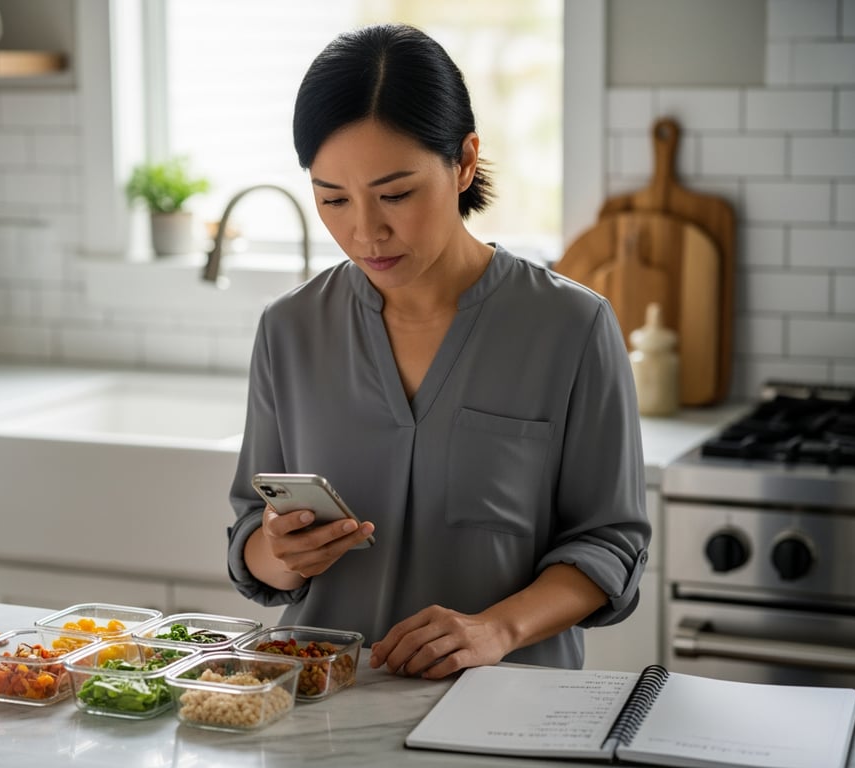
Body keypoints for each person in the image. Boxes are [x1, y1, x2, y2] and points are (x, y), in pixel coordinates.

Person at [226, 23, 650, 679]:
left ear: (464, 161)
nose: (364, 232)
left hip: (509, 711)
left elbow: (609, 543)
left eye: (395, 193)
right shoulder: (289, 327)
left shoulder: (570, 325)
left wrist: (495, 629)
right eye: (331, 198)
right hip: (323, 709)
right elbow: (252, 540)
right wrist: (280, 553)